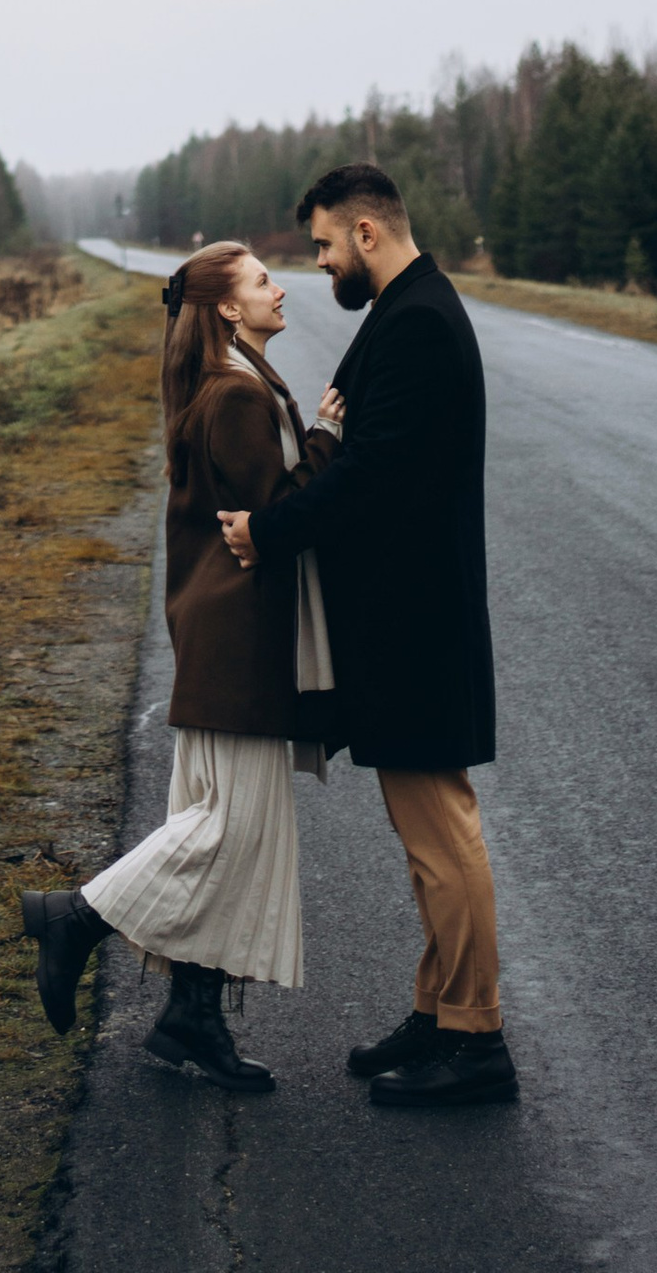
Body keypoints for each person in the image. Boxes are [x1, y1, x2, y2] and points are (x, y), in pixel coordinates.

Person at [219, 160, 516, 1110]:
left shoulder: (419, 324)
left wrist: (269, 530)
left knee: (442, 832)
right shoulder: (406, 314)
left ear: (368, 235)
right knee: (423, 832)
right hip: (404, 621)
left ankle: (475, 1044)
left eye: (323, 245)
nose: (319, 264)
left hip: (418, 624)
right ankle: (438, 1013)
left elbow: (372, 475)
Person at [23, 239, 341, 1089]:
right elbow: (278, 516)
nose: (283, 289)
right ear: (229, 310)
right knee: (228, 830)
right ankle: (73, 918)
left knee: (225, 829)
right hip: (239, 645)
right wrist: (327, 437)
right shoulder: (236, 396)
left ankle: (190, 1018)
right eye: (265, 281)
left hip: (222, 639)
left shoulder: (233, 384)